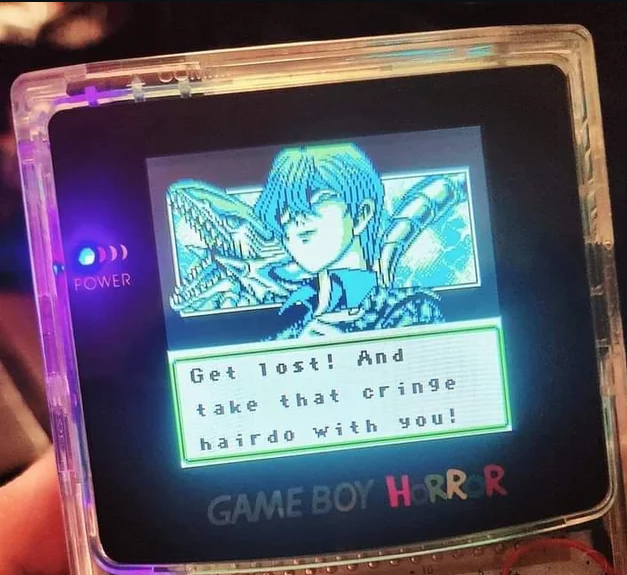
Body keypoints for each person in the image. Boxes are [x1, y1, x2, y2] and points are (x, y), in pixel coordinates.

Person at [254, 143, 443, 339]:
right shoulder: (283, 319)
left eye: (319, 198)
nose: (297, 217)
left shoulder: (411, 308)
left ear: (361, 215)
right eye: (285, 207)